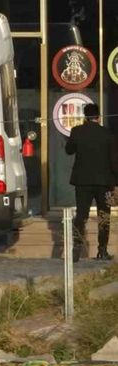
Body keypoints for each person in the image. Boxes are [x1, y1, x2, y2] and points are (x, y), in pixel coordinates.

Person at [66, 103, 118, 261]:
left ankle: (76, 247)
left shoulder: (77, 131)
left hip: (82, 181)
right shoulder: (108, 134)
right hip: (105, 182)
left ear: (84, 116)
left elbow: (69, 150)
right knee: (104, 215)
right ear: (99, 116)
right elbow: (114, 160)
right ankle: (102, 251)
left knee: (81, 215)